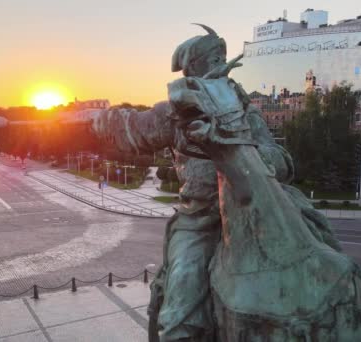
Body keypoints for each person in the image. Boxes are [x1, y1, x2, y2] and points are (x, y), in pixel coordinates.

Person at [83, 25, 294, 341]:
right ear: (193, 71)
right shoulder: (175, 114)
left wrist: (247, 154)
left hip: (255, 217)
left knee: (317, 246)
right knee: (182, 294)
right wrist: (104, 119)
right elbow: (134, 128)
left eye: (219, 58)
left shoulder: (245, 113)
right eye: (209, 61)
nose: (218, 65)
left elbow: (283, 161)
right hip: (200, 221)